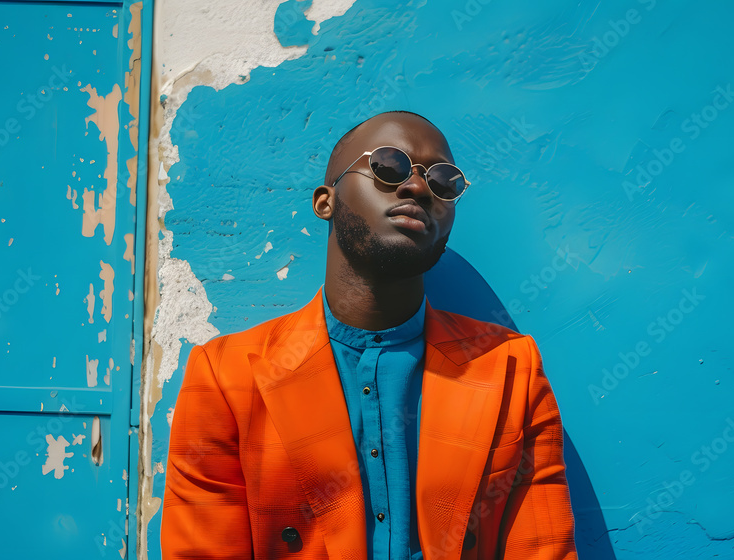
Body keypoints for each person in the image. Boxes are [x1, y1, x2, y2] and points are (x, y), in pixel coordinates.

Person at [161, 110, 577, 559]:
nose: (417, 187)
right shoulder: (227, 376)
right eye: (388, 165)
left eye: (444, 181)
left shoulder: (509, 367)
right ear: (326, 200)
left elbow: (542, 549)